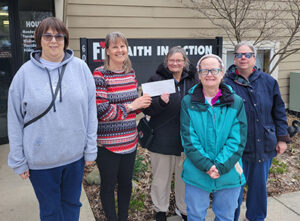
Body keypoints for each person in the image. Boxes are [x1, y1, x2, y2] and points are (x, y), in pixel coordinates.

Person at [7, 17, 97, 221]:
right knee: (50, 211)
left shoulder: (81, 69)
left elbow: (91, 111)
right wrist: (18, 159)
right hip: (41, 161)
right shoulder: (24, 75)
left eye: (59, 36)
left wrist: (91, 148)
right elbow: (14, 120)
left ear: (66, 39)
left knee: (72, 205)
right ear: (39, 40)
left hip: (74, 158)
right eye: (47, 36)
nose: (54, 41)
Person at [224, 41, 290, 221]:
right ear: (234, 59)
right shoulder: (225, 83)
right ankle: (231, 217)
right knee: (233, 189)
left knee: (258, 188)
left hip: (263, 144)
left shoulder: (269, 82)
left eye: (247, 54)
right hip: (236, 148)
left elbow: (279, 111)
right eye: (239, 54)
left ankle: (256, 217)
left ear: (254, 58)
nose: (243, 58)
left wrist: (282, 138)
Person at [180, 54, 248, 221]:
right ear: (199, 74)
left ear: (222, 73)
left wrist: (220, 166)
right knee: (195, 216)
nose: (209, 74)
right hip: (197, 170)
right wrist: (207, 165)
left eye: (214, 70)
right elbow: (189, 139)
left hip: (229, 170)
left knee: (225, 216)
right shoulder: (188, 102)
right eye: (205, 70)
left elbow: (237, 139)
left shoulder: (236, 102)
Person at [93, 31, 152, 221]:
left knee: (126, 184)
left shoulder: (130, 73)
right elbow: (101, 111)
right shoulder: (100, 75)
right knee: (108, 186)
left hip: (129, 141)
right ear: (107, 50)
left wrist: (143, 104)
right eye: (115, 46)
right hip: (108, 145)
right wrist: (131, 106)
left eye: (122, 46)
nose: (119, 50)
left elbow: (132, 111)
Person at [143, 46, 198, 221]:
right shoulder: (157, 79)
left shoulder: (193, 80)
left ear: (185, 62)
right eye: (172, 60)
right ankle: (161, 210)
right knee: (161, 180)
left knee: (184, 179)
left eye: (179, 60)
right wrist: (161, 102)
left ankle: (183, 209)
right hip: (161, 139)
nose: (175, 63)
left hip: (185, 140)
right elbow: (148, 110)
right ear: (167, 61)